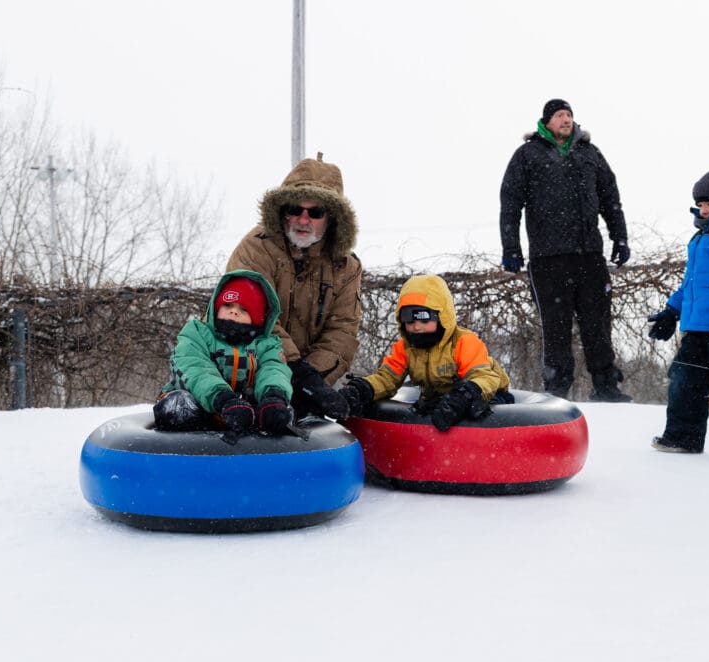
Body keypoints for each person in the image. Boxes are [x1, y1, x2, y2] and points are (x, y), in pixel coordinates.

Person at [499, 98, 632, 402]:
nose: (566, 119)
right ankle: (557, 389)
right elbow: (510, 204)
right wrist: (511, 248)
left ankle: (606, 386)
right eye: (559, 115)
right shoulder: (527, 155)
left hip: (589, 254)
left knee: (598, 323)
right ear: (546, 121)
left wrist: (620, 238)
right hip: (548, 257)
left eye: (569, 114)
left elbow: (611, 199)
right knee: (555, 326)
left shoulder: (590, 153)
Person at [225, 153, 361, 420]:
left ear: (332, 218)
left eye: (315, 212)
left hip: (304, 387)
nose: (303, 219)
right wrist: (293, 372)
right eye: (295, 209)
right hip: (241, 376)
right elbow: (249, 316)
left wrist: (311, 382)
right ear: (282, 211)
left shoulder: (347, 266)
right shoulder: (255, 249)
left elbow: (342, 332)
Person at [338, 274, 513, 431]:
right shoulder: (406, 347)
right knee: (429, 410)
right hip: (440, 398)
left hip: (486, 394)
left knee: (475, 411)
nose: (416, 326)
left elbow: (484, 377)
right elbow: (387, 378)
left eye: (423, 319)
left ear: (440, 316)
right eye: (409, 320)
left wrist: (465, 395)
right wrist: (363, 389)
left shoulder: (463, 341)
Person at [648, 164, 709, 463]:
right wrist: (671, 310)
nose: (703, 210)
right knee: (684, 380)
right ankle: (683, 436)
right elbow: (690, 283)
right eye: (700, 204)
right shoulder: (699, 239)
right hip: (698, 326)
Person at [154, 270, 293, 437]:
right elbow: (194, 367)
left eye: (244, 309)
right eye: (228, 305)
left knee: (281, 411)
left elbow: (273, 370)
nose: (233, 312)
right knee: (180, 404)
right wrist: (223, 398)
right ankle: (189, 445)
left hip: (242, 413)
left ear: (257, 317)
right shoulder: (197, 333)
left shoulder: (266, 345)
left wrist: (274, 395)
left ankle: (265, 438)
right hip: (202, 408)